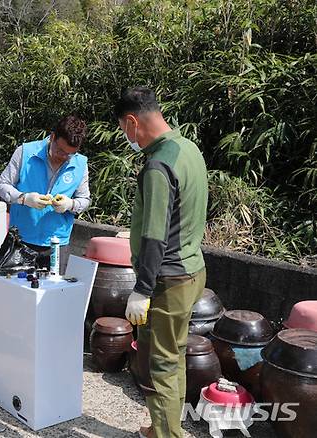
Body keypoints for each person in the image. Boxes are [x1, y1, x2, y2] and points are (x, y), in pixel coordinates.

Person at [116, 87, 208, 438]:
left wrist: (141, 288)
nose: (127, 137)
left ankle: (168, 435)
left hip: (166, 280)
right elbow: (177, 215)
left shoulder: (157, 165)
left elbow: (156, 235)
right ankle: (163, 428)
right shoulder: (187, 148)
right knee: (175, 355)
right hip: (191, 268)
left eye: (124, 130)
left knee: (160, 363)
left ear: (132, 122)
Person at [0, 116, 90, 272]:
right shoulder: (25, 152)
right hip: (21, 240)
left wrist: (70, 204)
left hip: (57, 244)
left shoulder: (80, 163)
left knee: (52, 294)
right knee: (12, 293)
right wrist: (23, 198)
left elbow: (84, 199)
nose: (64, 157)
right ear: (52, 137)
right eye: (60, 150)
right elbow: (1, 185)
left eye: (70, 154)